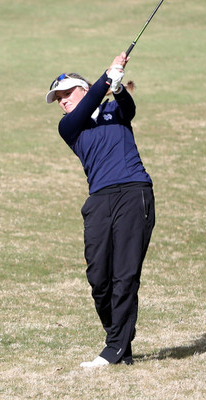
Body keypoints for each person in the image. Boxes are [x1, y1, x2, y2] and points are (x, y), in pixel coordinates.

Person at [45, 53, 155, 369]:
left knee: (125, 275)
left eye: (67, 94)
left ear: (83, 89)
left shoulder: (114, 110)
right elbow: (91, 100)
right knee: (99, 279)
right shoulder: (69, 126)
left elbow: (129, 109)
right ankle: (121, 341)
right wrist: (108, 77)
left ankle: (114, 348)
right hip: (99, 201)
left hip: (134, 193)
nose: (63, 102)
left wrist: (117, 87)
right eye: (59, 99)